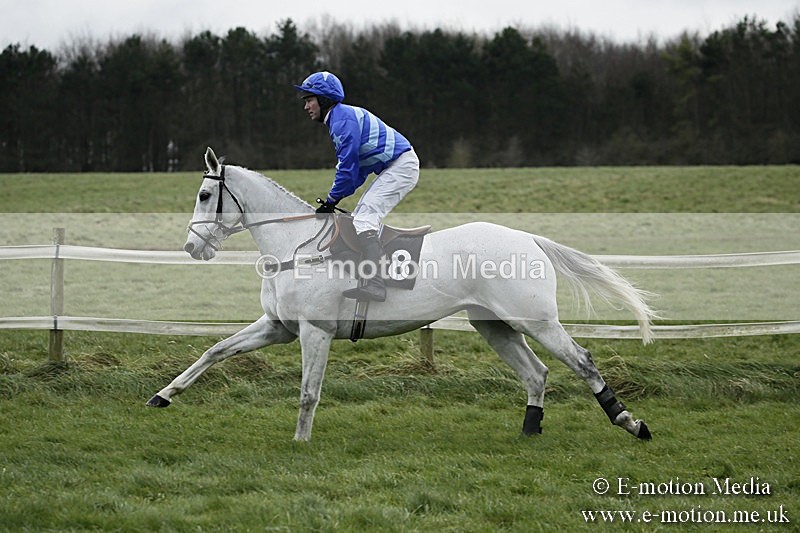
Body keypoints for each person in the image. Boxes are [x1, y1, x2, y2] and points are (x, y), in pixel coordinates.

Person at [294, 71, 420, 302]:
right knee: (359, 218)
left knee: (363, 220)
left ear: (323, 100)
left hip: (401, 166)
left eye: (309, 100)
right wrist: (335, 200)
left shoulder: (341, 121)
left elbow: (347, 167)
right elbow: (356, 173)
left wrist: (332, 200)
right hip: (397, 165)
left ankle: (376, 284)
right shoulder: (340, 118)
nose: (306, 106)